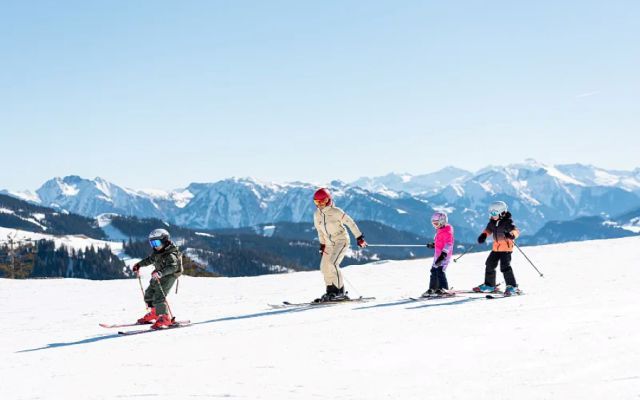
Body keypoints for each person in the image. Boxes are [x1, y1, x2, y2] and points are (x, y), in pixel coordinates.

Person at [312, 188, 367, 302]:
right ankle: (331, 291)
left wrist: (359, 237)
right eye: (317, 202)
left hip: (341, 241)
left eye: (322, 202)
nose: (320, 205)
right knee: (324, 267)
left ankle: (339, 291)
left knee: (333, 263)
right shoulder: (317, 215)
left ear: (328, 200)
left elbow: (350, 223)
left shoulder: (336, 212)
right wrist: (322, 245)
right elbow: (320, 231)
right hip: (328, 244)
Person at [132, 229, 184, 329]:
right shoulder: (158, 252)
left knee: (159, 296)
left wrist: (160, 273)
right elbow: (150, 260)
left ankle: (165, 317)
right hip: (158, 274)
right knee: (149, 293)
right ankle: (155, 313)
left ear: (165, 241)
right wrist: (139, 265)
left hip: (169, 275)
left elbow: (173, 267)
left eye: (156, 242)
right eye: (152, 243)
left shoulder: (171, 254)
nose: (154, 246)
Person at [473, 201, 522, 296]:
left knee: (505, 267)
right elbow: (488, 230)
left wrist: (511, 235)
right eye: (491, 213)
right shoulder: (492, 222)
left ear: (502, 213)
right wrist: (483, 235)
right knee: (489, 264)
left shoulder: (508, 222)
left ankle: (512, 287)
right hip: (496, 248)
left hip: (506, 249)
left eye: (494, 213)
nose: (492, 215)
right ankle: (489, 285)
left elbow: (516, 231)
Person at [422, 211, 454, 297]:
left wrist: (443, 255)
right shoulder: (440, 230)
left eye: (436, 223)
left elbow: (448, 244)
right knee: (433, 270)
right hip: (437, 255)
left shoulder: (447, 232)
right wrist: (433, 245)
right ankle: (433, 288)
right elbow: (439, 242)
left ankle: (444, 289)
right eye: (434, 224)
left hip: (444, 256)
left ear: (442, 221)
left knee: (440, 271)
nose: (435, 226)